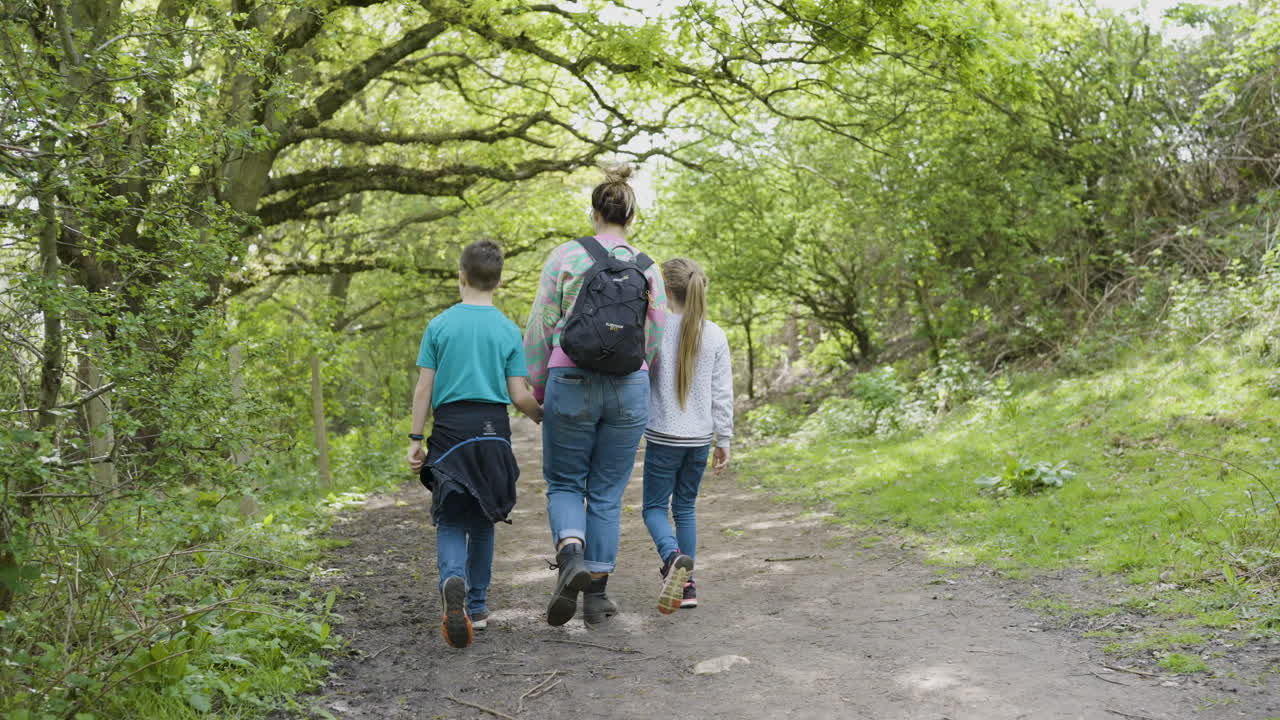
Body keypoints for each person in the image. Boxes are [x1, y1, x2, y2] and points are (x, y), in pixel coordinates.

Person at [524, 164, 667, 627]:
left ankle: (570, 555)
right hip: (629, 388)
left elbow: (540, 327)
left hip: (571, 381)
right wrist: (633, 371)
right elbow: (655, 336)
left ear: (593, 214)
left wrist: (539, 388)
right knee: (607, 492)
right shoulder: (648, 268)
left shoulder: (565, 257)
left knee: (566, 482)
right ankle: (598, 599)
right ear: (631, 217)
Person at [406, 239, 543, 649]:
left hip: (450, 432)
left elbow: (424, 388)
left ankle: (453, 580)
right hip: (492, 433)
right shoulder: (506, 328)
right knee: (484, 519)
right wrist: (540, 415)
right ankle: (478, 607)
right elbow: (518, 394)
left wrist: (416, 439)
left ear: (461, 276)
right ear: (498, 281)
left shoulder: (440, 325)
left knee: (450, 517)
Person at [642, 257, 733, 613]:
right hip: (699, 439)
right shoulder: (715, 334)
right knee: (684, 509)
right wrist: (723, 439)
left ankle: (672, 558)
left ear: (663, 290)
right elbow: (722, 391)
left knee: (653, 508)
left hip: (663, 435)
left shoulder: (654, 329)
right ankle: (688, 586)